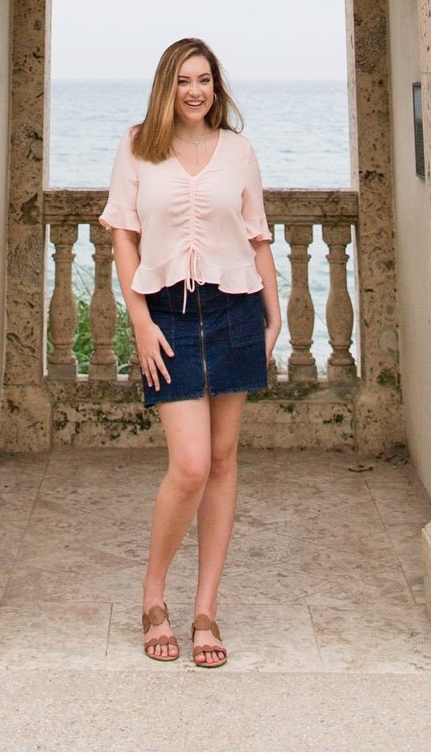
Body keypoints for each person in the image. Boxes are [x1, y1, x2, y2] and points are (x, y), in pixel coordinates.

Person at [102, 36, 282, 669]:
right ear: (166, 88)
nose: (195, 91)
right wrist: (140, 321)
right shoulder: (136, 146)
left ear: (216, 86)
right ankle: (154, 593)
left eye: (204, 79)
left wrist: (275, 312)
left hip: (235, 307)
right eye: (183, 80)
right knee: (191, 464)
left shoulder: (239, 151)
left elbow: (257, 234)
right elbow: (124, 235)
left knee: (225, 459)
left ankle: (206, 607)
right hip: (169, 318)